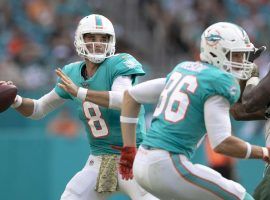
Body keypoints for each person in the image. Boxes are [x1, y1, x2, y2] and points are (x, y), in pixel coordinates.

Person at [1, 14, 158, 200]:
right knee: (72, 197)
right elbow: (38, 109)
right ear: (80, 39)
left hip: (132, 157)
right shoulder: (72, 73)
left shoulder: (120, 63)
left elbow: (122, 100)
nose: (98, 43)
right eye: (91, 37)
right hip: (101, 160)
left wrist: (80, 92)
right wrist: (16, 100)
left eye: (103, 38)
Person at [117, 22, 270, 200]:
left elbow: (131, 96)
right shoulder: (218, 81)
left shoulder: (183, 70)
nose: (242, 62)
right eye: (237, 55)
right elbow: (221, 143)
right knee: (241, 197)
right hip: (168, 165)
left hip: (142, 162)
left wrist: (128, 149)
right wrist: (264, 152)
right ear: (217, 53)